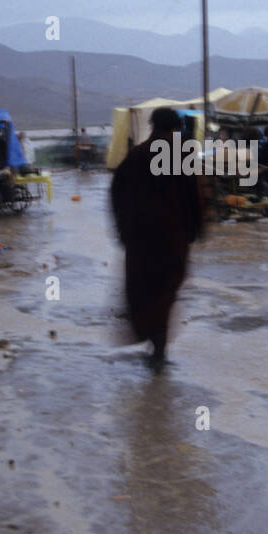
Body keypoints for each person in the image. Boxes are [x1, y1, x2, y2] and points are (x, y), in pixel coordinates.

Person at [110, 108, 204, 365]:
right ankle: (159, 344)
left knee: (143, 288)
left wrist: (122, 227)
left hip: (141, 237)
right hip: (173, 236)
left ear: (152, 126)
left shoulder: (137, 155)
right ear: (176, 128)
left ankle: (153, 337)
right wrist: (197, 228)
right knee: (166, 288)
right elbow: (194, 195)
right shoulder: (180, 154)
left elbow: (116, 191)